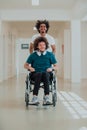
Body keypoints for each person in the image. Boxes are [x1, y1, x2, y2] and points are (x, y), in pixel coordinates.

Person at [24, 36, 57, 104]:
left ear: (46, 46)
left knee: (44, 74)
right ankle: (35, 97)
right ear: (37, 46)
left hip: (47, 74)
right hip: (35, 74)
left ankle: (46, 97)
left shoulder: (50, 55)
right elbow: (25, 65)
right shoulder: (33, 55)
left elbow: (56, 66)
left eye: (43, 45)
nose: (42, 46)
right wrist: (30, 68)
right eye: (40, 45)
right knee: (39, 74)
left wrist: (51, 68)